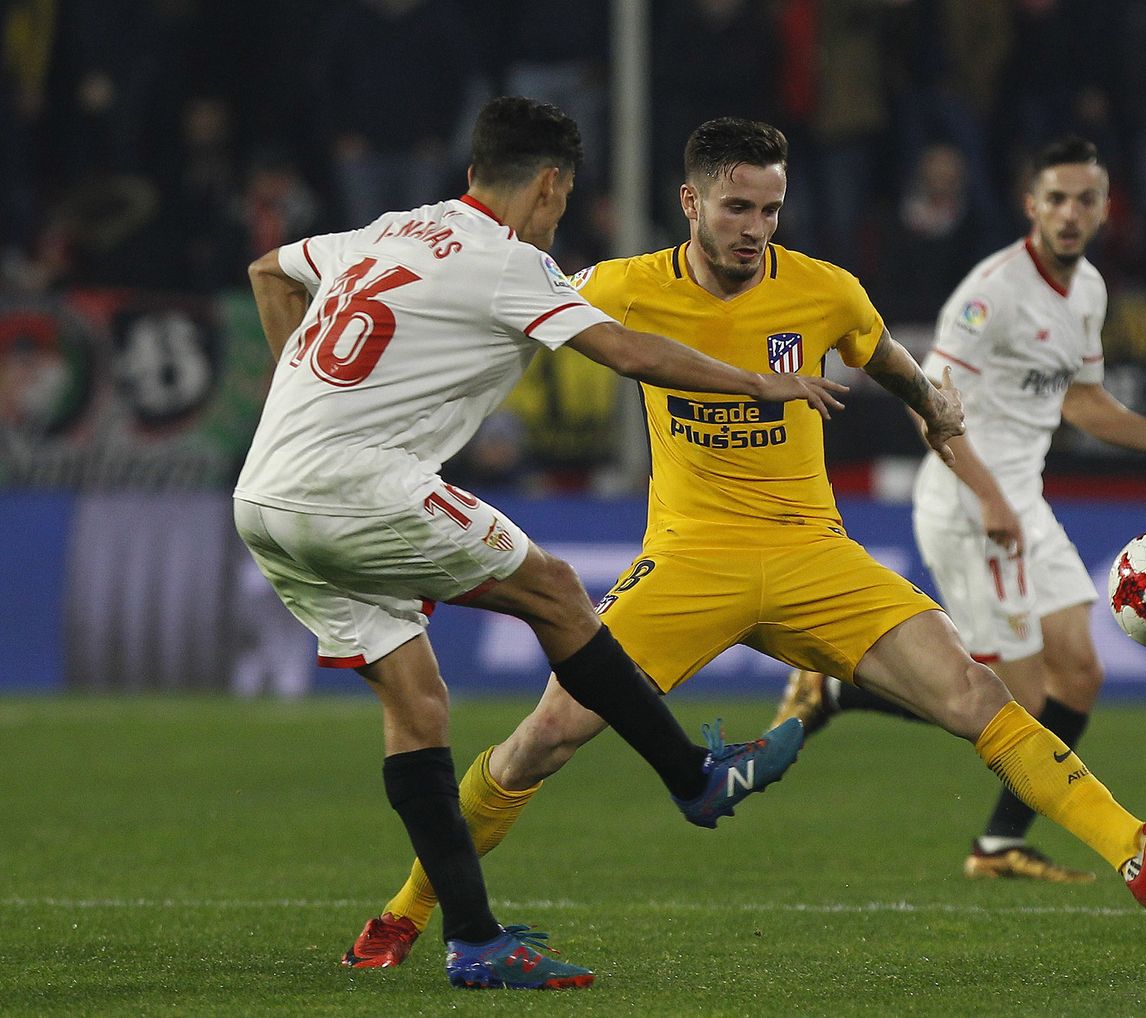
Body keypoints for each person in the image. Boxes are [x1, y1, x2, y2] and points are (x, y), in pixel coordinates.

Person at [340, 119, 1146, 972]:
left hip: (814, 555)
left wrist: (930, 404)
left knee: (976, 692)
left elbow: (884, 354)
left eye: (771, 209)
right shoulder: (620, 287)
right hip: (689, 563)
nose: (756, 227)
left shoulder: (823, 288)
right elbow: (506, 336)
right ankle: (409, 910)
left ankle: (1139, 851)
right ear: (690, 203)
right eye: (737, 207)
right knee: (545, 738)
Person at [234, 98, 845, 991]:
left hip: (264, 496)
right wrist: (761, 381)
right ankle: (694, 777)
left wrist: (308, 408)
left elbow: (268, 269)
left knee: (417, 706)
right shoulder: (509, 263)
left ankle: (474, 940)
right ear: (551, 183)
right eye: (564, 196)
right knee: (558, 592)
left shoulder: (393, 228)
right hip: (355, 486)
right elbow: (630, 353)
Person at [772, 137, 1146, 885]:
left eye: (1085, 199)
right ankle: (840, 689)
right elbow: (930, 410)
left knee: (1078, 676)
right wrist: (989, 498)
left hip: (1024, 500)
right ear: (1031, 205)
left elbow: (1081, 399)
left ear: (1104, 210)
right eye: (1056, 197)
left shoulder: (1087, 289)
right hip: (968, 499)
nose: (1070, 213)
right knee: (1019, 703)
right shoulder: (990, 293)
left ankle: (997, 845)